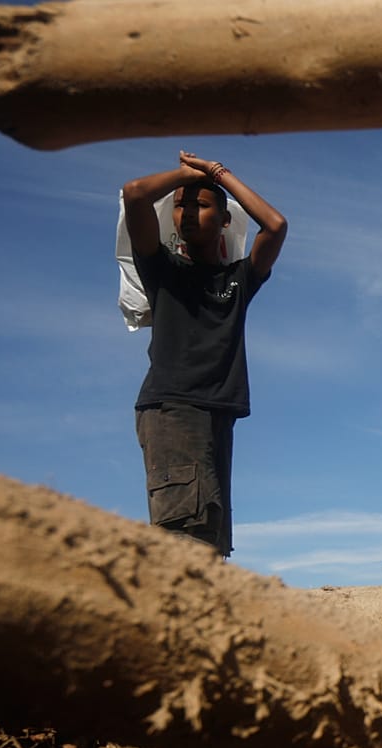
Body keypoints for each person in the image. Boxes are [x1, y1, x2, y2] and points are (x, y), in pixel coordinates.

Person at [121, 151, 288, 556]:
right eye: (180, 206)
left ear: (226, 220)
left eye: (201, 203)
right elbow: (135, 194)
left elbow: (275, 225)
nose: (189, 212)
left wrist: (219, 175)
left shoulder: (238, 279)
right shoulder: (162, 269)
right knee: (184, 534)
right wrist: (186, 174)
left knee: (210, 538)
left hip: (216, 411)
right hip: (173, 407)